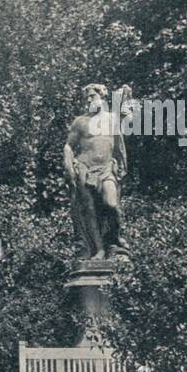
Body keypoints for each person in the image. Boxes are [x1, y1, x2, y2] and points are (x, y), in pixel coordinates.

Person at [64, 83, 129, 260]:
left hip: (106, 168)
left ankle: (114, 239)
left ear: (101, 96)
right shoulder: (81, 122)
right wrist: (69, 166)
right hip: (85, 168)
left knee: (111, 204)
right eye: (87, 97)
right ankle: (99, 249)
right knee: (89, 211)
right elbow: (69, 146)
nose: (89, 100)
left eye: (92, 96)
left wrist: (122, 167)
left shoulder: (111, 119)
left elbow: (119, 146)